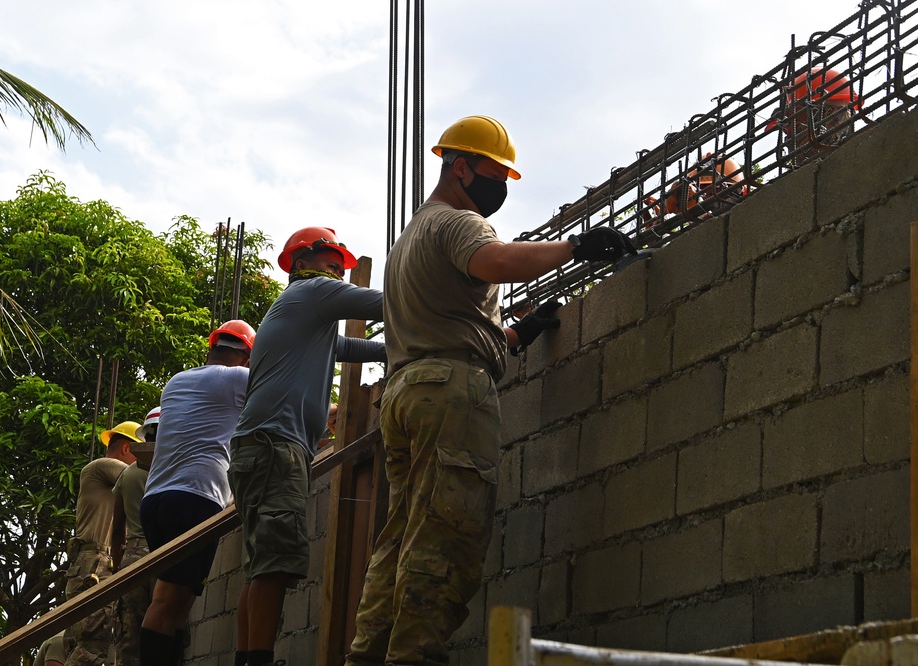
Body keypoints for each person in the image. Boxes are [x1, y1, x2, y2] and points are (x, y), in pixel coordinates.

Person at [345, 115, 635, 666]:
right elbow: (498, 260)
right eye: (494, 172)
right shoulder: (459, 224)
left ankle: (368, 654)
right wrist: (577, 246)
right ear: (460, 168)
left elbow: (447, 324)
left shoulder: (409, 239)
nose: (499, 185)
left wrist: (516, 335)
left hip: (406, 393)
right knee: (446, 537)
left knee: (403, 532)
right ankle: (413, 657)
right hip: (449, 395)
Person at [229, 227, 384, 666]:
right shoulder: (312, 294)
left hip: (260, 446)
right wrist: (432, 295)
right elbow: (389, 303)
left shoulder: (305, 320)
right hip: (275, 446)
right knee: (275, 565)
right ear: (301, 264)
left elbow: (348, 346)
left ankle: (248, 659)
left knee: (261, 567)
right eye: (329, 258)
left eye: (342, 262)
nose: (338, 268)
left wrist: (393, 351)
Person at [138, 321, 256, 666]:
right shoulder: (237, 379)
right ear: (247, 356)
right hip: (195, 497)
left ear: (212, 348)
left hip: (157, 498)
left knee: (178, 603)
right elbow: (282, 398)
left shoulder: (177, 381)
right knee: (166, 602)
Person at [63, 421, 140, 666]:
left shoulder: (121, 489)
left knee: (105, 645)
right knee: (93, 646)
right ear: (126, 448)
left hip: (104, 561)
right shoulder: (101, 466)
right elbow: (142, 478)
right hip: (95, 563)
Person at [110, 407, 158, 666]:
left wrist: (118, 567)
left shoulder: (127, 475)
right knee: (166, 628)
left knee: (129, 637)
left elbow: (118, 529)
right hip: (167, 553)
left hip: (134, 557)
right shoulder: (173, 469)